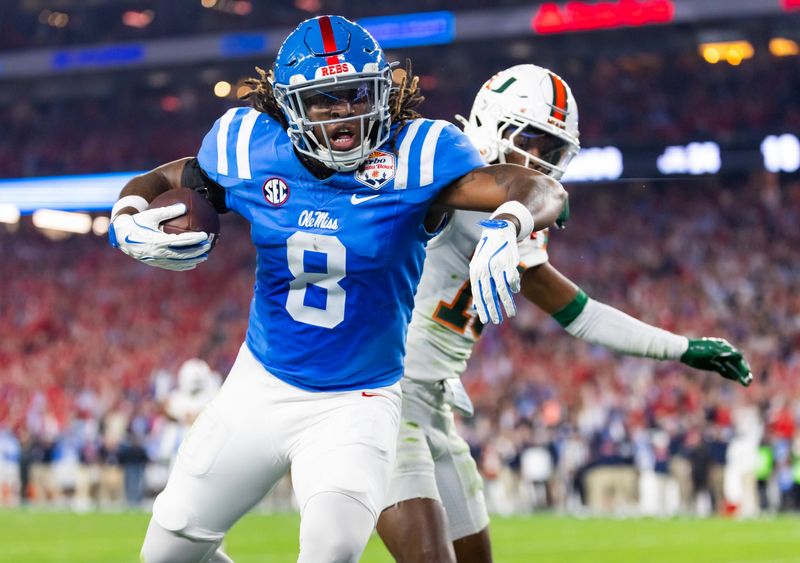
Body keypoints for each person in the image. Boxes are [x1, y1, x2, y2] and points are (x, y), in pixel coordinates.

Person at [107, 17, 566, 563]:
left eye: (355, 95)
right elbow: (169, 177)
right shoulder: (249, 145)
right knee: (165, 554)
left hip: (357, 400)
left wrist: (510, 220)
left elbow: (536, 186)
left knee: (331, 548)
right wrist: (128, 210)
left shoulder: (418, 155)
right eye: (324, 100)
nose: (344, 112)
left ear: (381, 93)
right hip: (260, 385)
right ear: (289, 108)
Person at [375, 64, 753, 563]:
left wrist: (682, 347)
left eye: (548, 151)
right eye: (527, 140)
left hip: (433, 407)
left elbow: (583, 314)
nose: (536, 160)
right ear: (490, 124)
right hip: (384, 395)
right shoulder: (442, 174)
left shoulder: (516, 212)